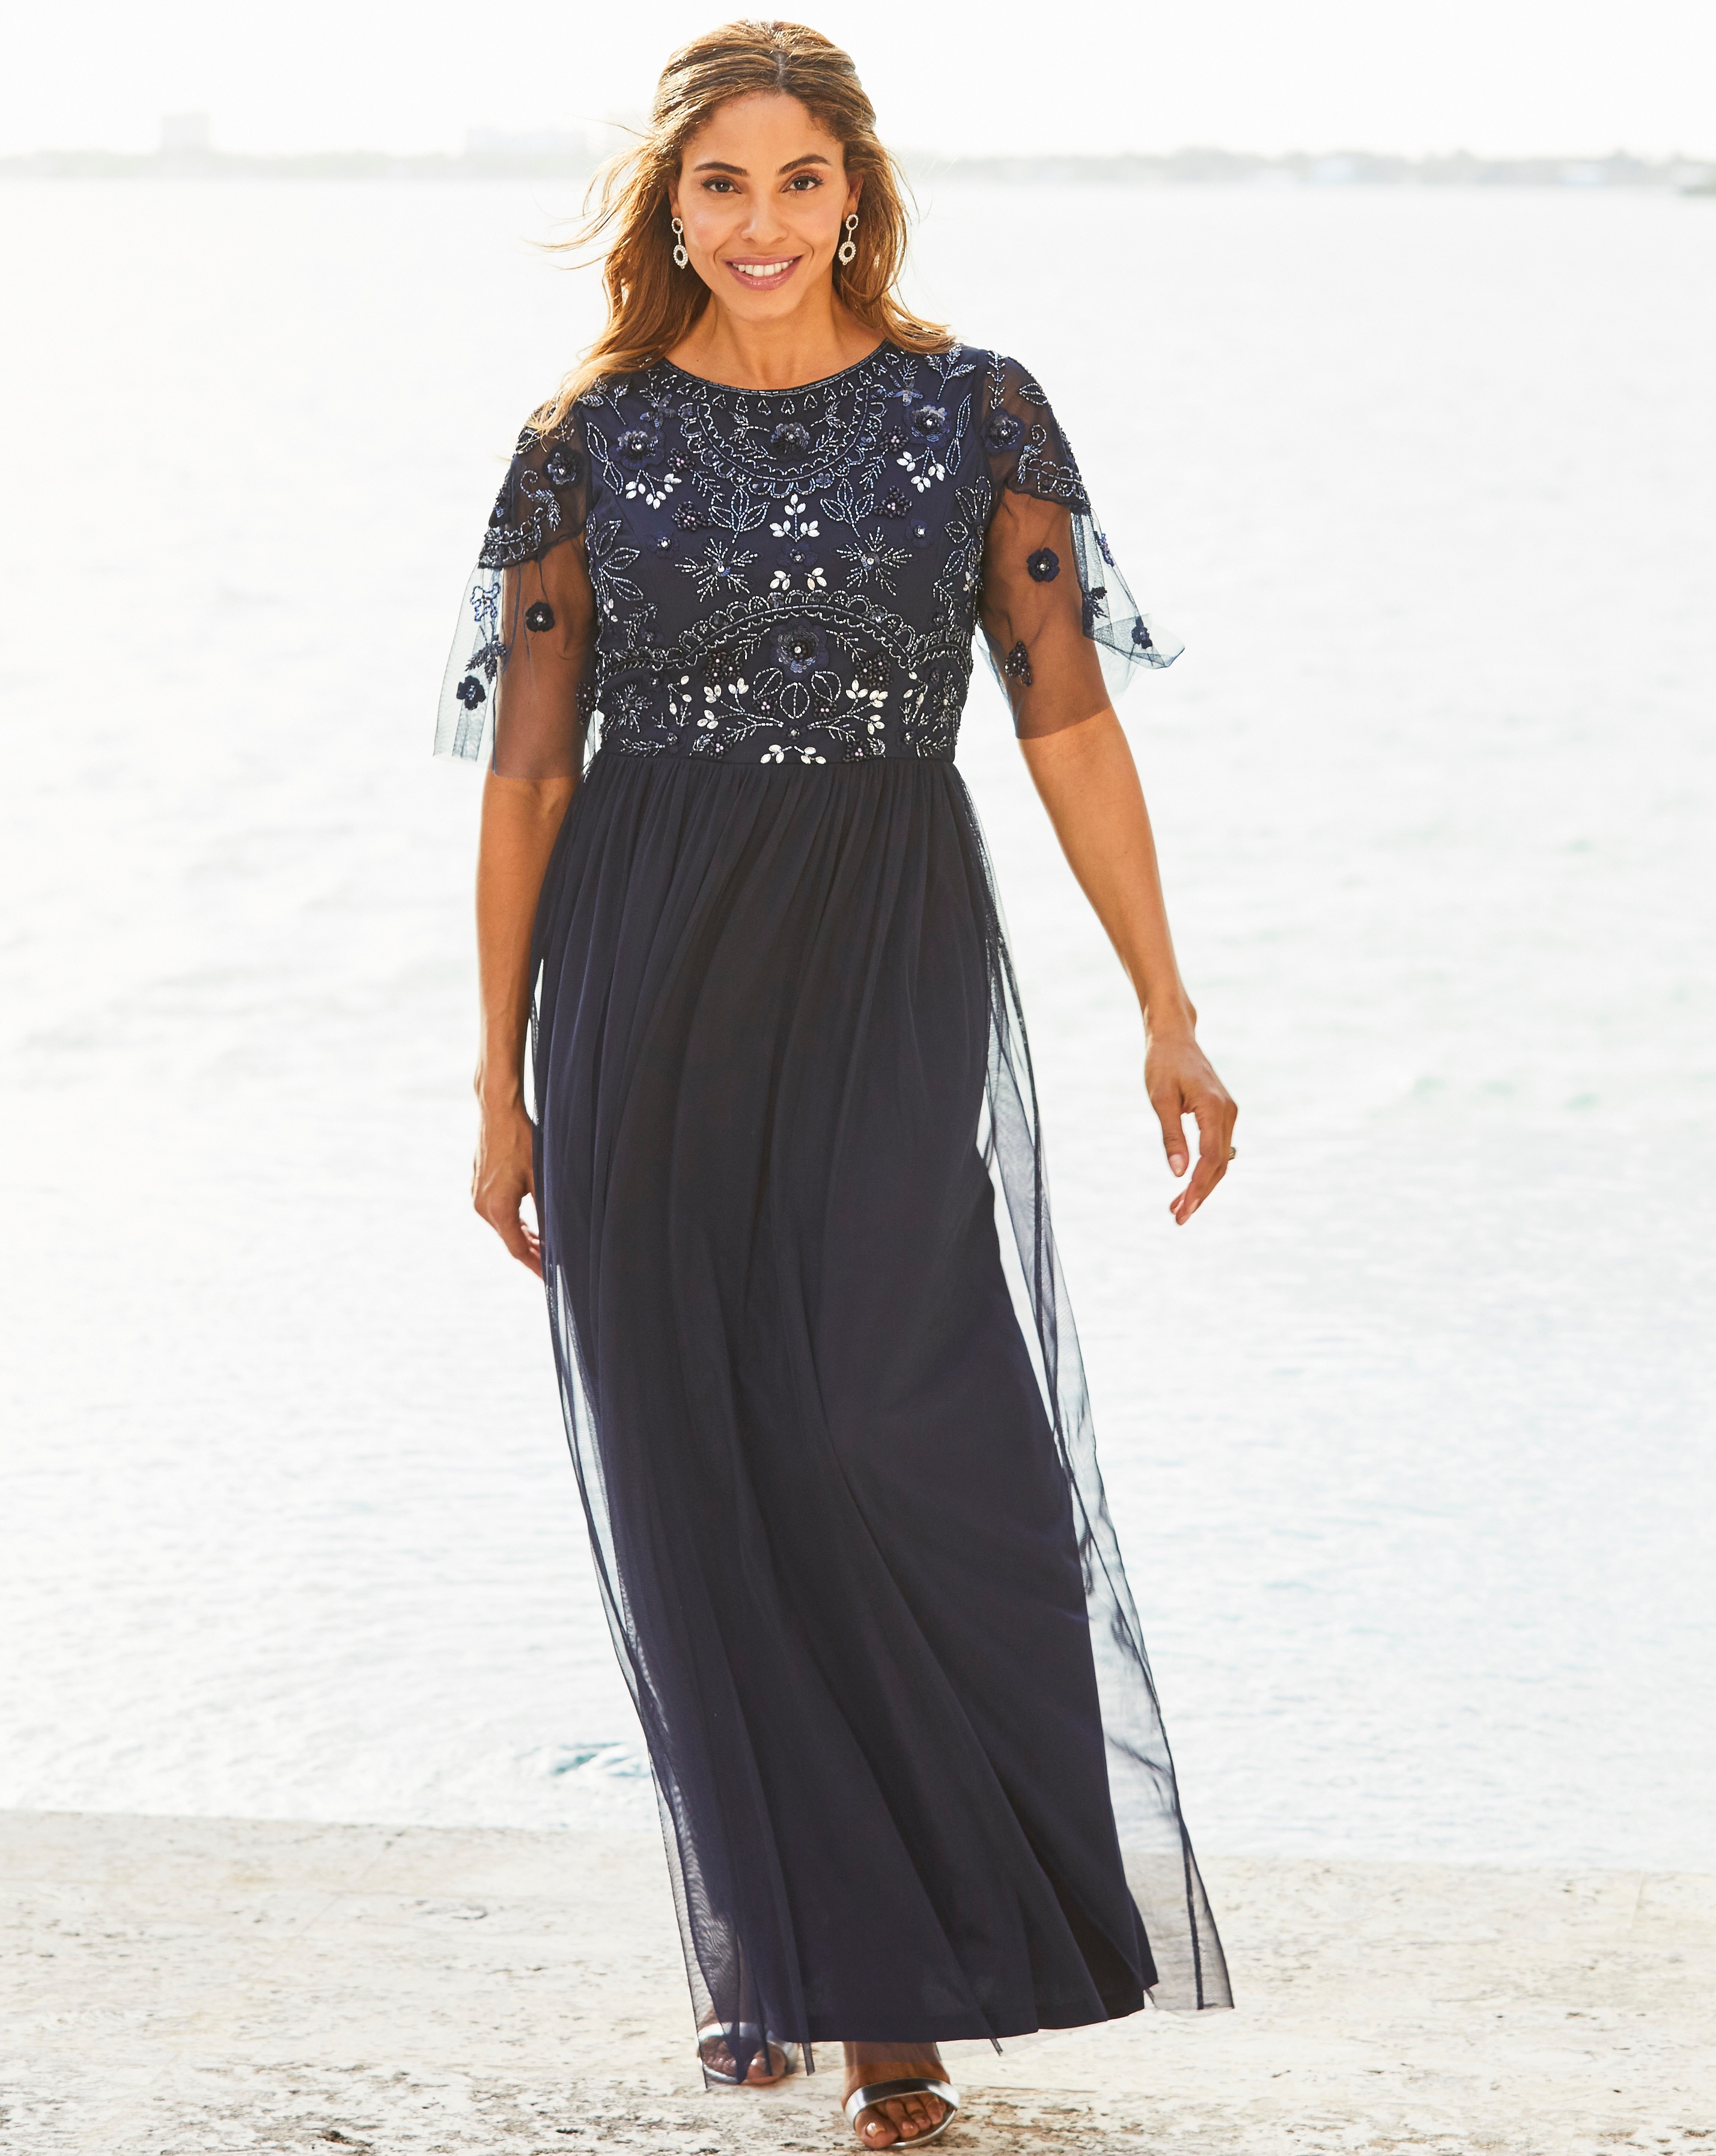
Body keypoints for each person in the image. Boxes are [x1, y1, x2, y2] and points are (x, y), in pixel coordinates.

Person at [438, 20, 1237, 2147]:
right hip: (645, 962)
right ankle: (867, 2010)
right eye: (723, 184)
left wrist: (1165, 1004)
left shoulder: (977, 415)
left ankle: (975, 1912)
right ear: (670, 206)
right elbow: (527, 778)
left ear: (859, 196)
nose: (764, 222)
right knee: (707, 1462)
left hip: (886, 942)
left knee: (900, 1422)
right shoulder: (586, 442)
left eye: (802, 181)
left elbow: (1067, 720)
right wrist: (500, 1081)